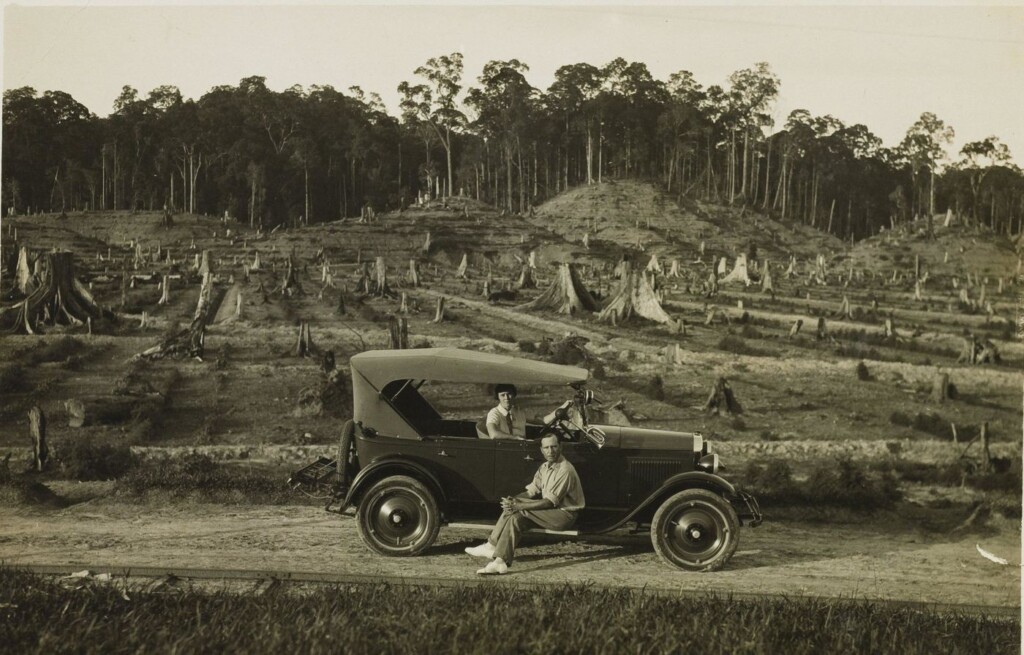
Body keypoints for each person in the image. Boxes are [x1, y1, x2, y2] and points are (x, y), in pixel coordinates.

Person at [465, 434, 585, 575]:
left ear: (561, 447)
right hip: (549, 514)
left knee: (517, 509)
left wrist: (518, 506)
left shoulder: (565, 469)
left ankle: (491, 545)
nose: (550, 451)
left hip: (564, 515)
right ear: (541, 450)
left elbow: (549, 502)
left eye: (554, 446)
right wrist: (514, 499)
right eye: (546, 447)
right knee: (515, 519)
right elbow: (531, 491)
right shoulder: (545, 467)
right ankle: (500, 562)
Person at [483, 384, 573, 440]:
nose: (506, 398)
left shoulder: (519, 412)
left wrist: (563, 407)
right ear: (498, 397)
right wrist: (515, 438)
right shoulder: (494, 413)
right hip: (504, 449)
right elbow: (493, 434)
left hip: (522, 447)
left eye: (509, 394)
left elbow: (543, 421)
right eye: (502, 395)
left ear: (514, 395)